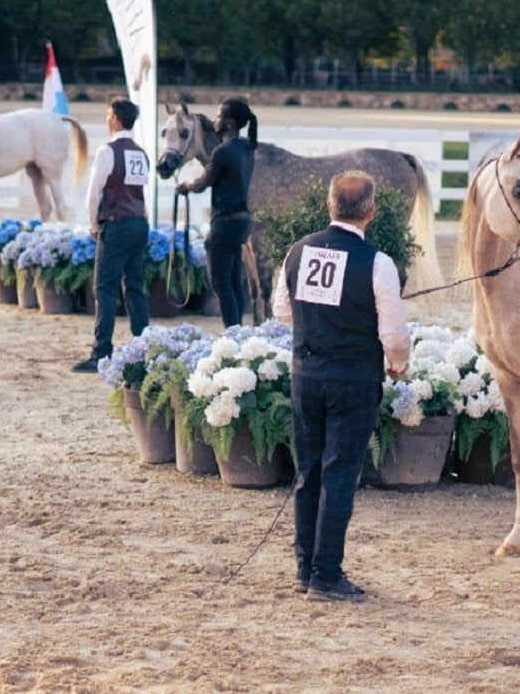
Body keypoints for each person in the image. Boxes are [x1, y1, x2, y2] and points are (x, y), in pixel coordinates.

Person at [272, 170, 411, 603]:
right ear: (371, 211)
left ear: (329, 205)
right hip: (352, 379)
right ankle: (326, 574)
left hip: (306, 375)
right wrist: (398, 365)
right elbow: (393, 334)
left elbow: (281, 311)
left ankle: (304, 568)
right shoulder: (379, 263)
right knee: (340, 475)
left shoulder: (299, 250)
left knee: (308, 472)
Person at [73, 97, 151, 373]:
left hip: (116, 224)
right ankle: (144, 347)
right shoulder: (141, 153)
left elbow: (94, 193)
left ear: (116, 119)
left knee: (104, 288)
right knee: (135, 287)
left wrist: (94, 225)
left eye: (108, 115)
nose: (107, 120)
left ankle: (101, 351)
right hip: (139, 223)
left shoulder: (108, 151)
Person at [175, 98, 256, 327]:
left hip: (224, 223)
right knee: (234, 282)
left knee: (220, 283)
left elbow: (204, 181)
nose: (215, 120)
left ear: (229, 123)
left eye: (219, 116)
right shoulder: (247, 147)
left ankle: (232, 332)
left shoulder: (222, 152)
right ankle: (238, 330)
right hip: (241, 222)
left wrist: (186, 186)